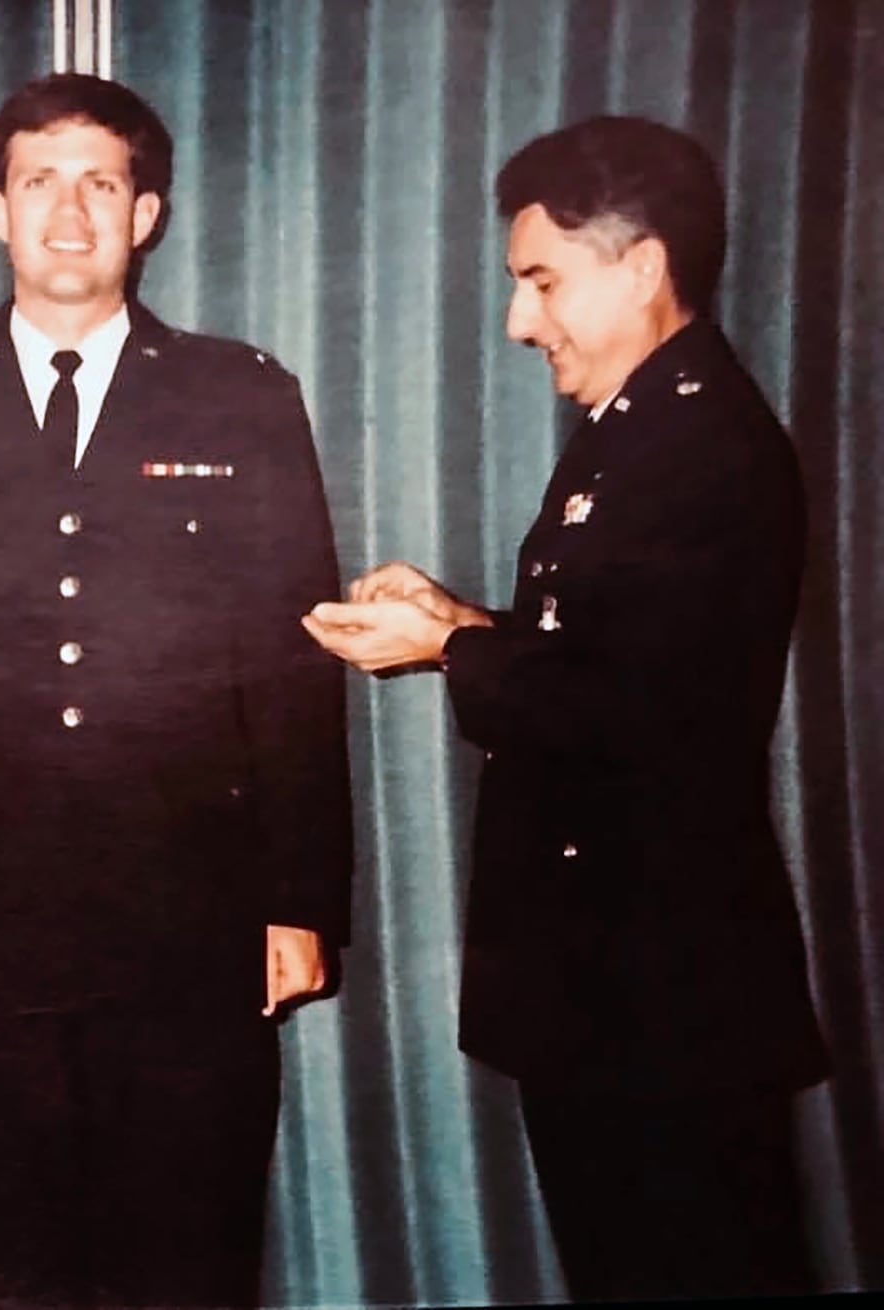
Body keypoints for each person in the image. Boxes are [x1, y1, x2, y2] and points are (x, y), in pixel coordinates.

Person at [0, 73, 354, 1309]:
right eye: (39, 181)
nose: (70, 211)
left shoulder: (243, 394)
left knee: (187, 1253)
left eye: (101, 183)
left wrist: (297, 895)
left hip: (189, 912)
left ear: (148, 210)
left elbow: (291, 664)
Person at [304, 116, 828, 1302]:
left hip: (663, 998)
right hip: (613, 987)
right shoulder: (636, 430)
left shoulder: (704, 444)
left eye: (541, 281)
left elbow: (643, 714)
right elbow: (603, 651)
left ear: (641, 266)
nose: (517, 321)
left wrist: (449, 647)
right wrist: (460, 619)